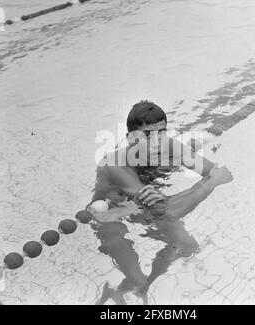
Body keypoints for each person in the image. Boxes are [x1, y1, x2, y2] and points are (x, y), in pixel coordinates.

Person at [89, 100, 233, 304]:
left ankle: (129, 290)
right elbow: (167, 211)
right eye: (148, 135)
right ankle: (131, 288)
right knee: (137, 279)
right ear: (131, 138)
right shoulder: (115, 163)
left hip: (142, 204)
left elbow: (214, 171)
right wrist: (208, 185)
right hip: (111, 214)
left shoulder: (170, 147)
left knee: (188, 246)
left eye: (162, 132)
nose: (157, 142)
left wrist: (212, 179)